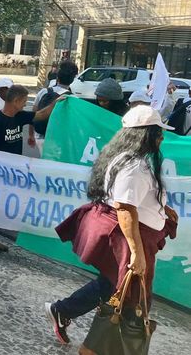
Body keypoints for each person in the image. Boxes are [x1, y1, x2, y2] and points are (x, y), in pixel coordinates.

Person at [45, 106, 178, 346]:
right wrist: (136, 253)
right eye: (158, 133)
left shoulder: (128, 158)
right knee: (130, 297)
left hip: (130, 232)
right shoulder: (134, 165)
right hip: (128, 236)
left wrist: (161, 208)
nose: (162, 138)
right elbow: (125, 208)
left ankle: (64, 311)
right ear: (145, 135)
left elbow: (132, 199)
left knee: (111, 285)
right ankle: (103, 346)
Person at [0, 84, 63, 252]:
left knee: (6, 201)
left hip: (13, 170)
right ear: (16, 101)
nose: (25, 104)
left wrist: (56, 103)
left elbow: (41, 115)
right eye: (24, 101)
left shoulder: (20, 116)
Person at [28, 60, 79, 152]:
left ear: (57, 78)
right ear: (71, 81)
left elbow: (33, 114)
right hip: (59, 139)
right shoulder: (73, 98)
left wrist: (31, 134)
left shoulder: (44, 92)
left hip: (40, 136)